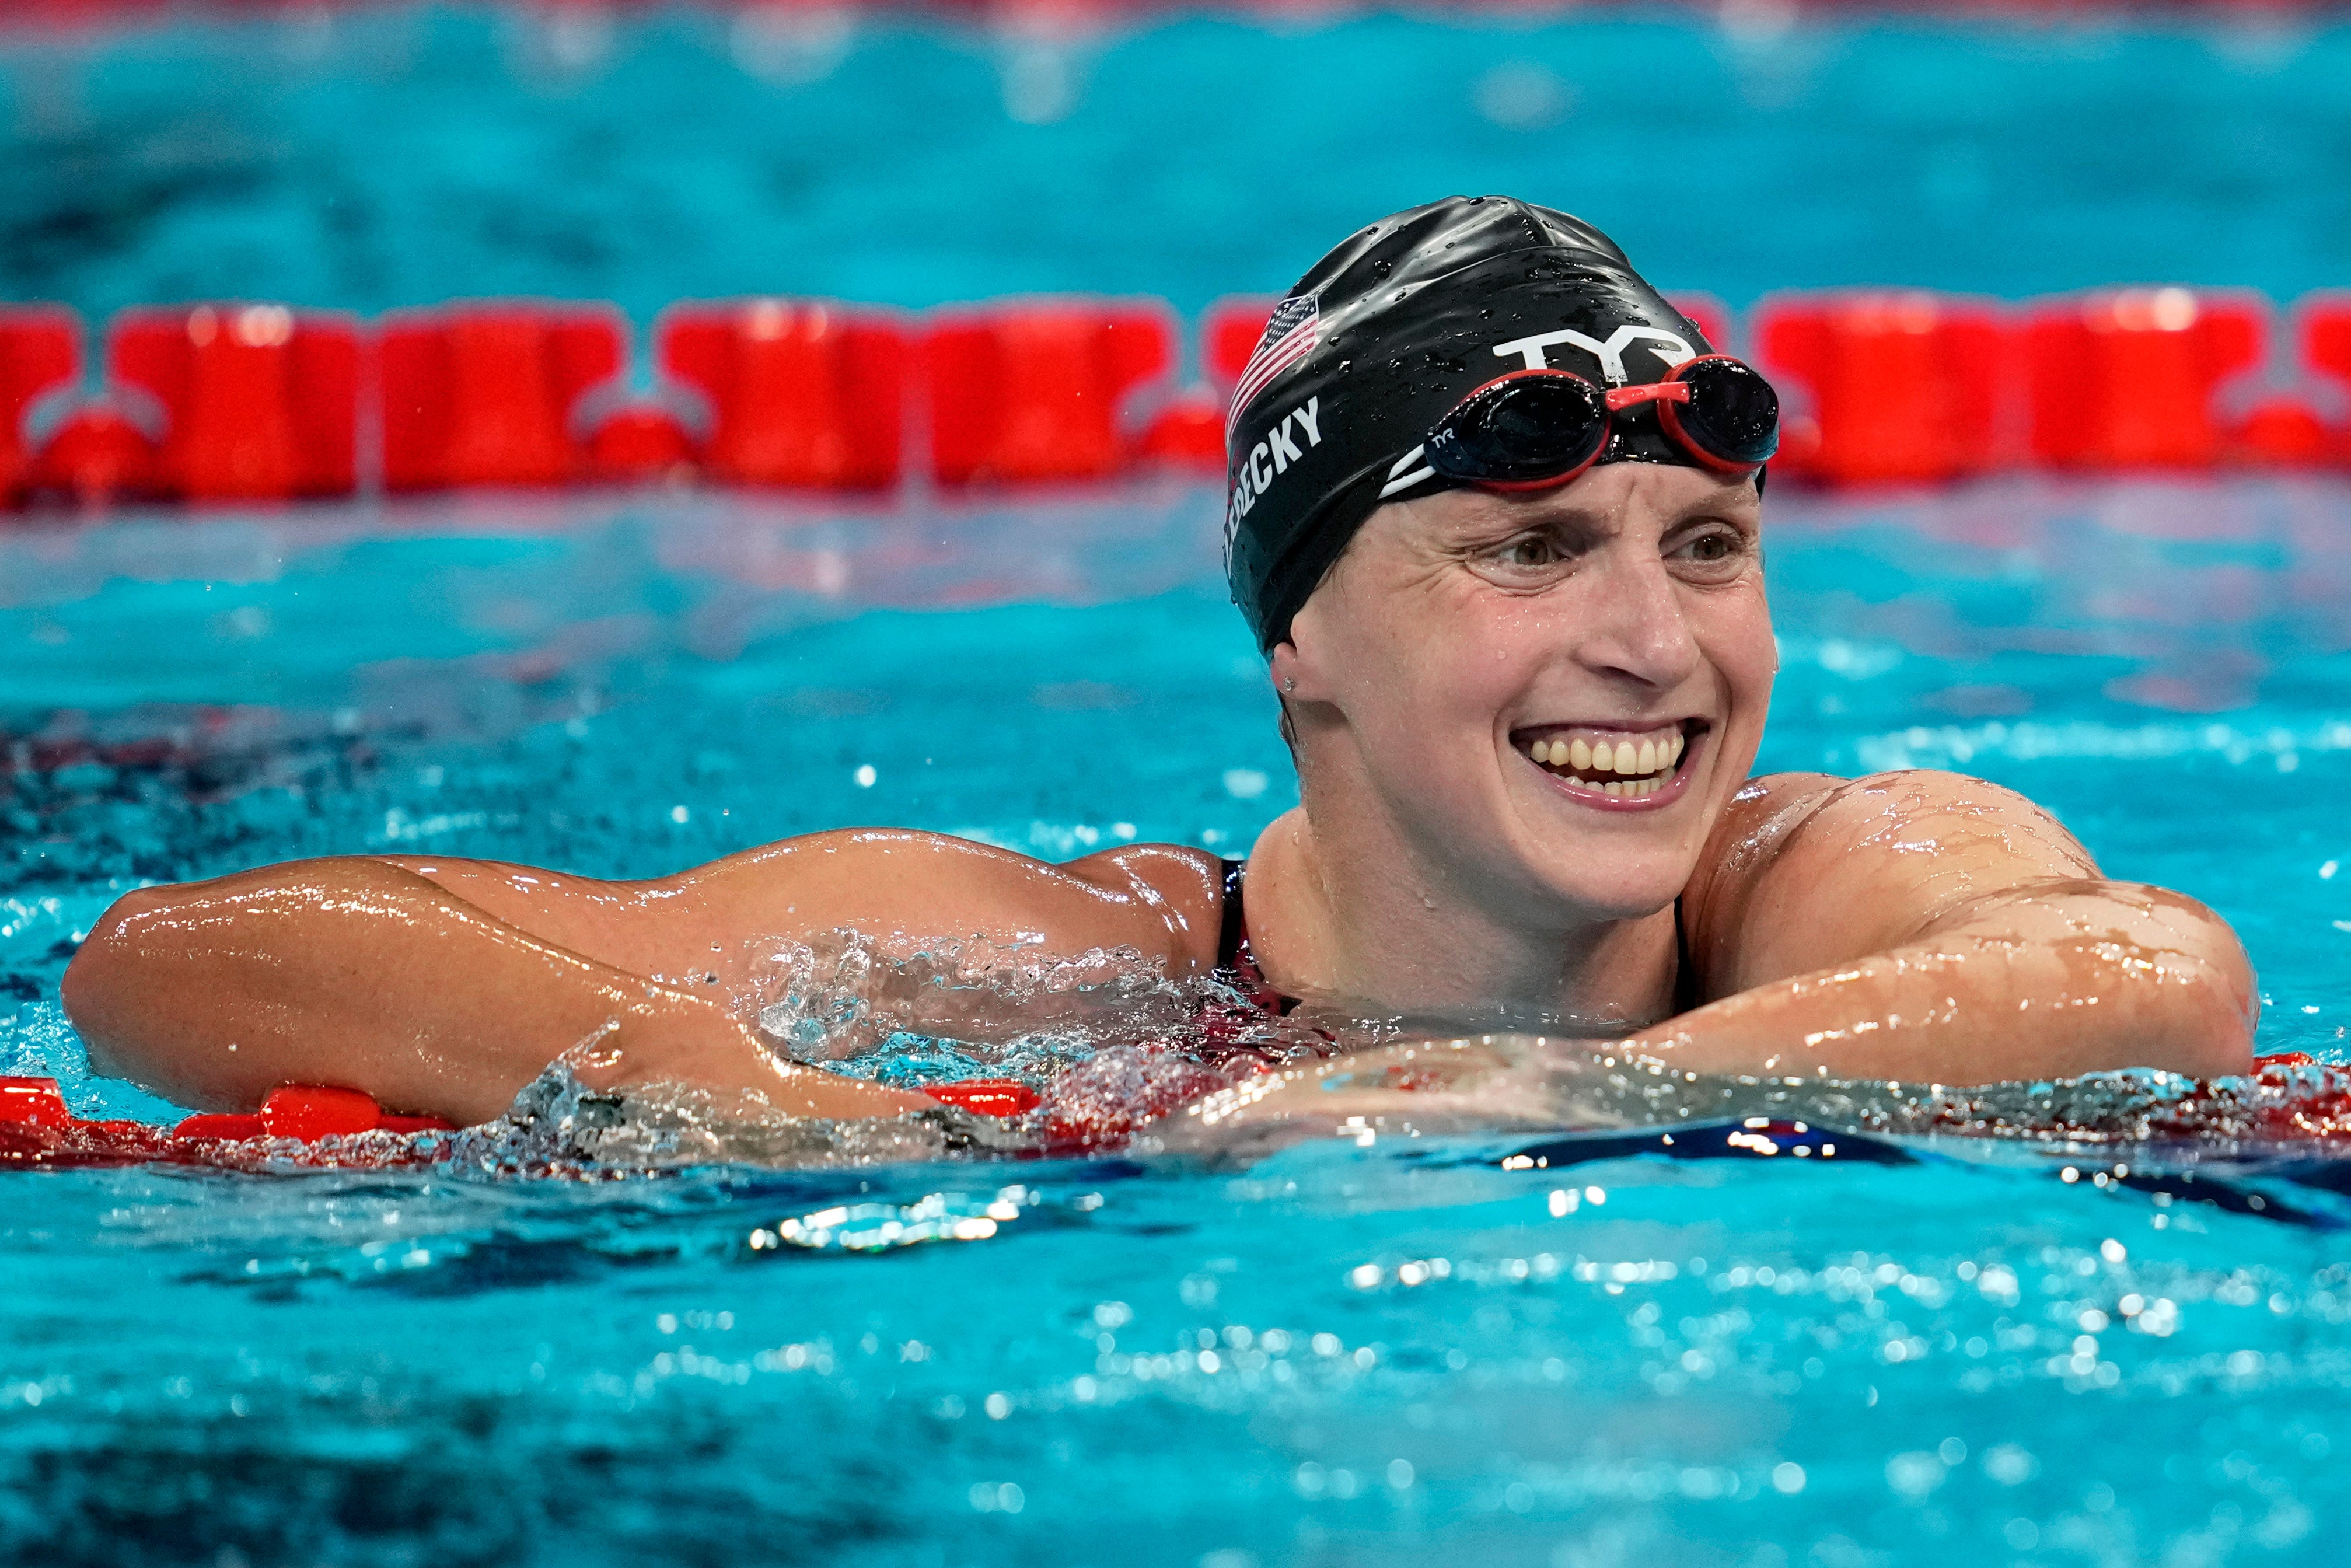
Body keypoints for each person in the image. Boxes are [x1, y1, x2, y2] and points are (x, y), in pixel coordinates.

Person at [60, 197, 2256, 1131]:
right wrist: (678, 1064)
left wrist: (1568, 1091)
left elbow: (2156, 976)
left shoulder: (1817, 884)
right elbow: (168, 960)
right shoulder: (1093, 964)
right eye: (1530, 550)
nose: (1656, 645)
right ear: (1296, 633)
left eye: (1706, 547)